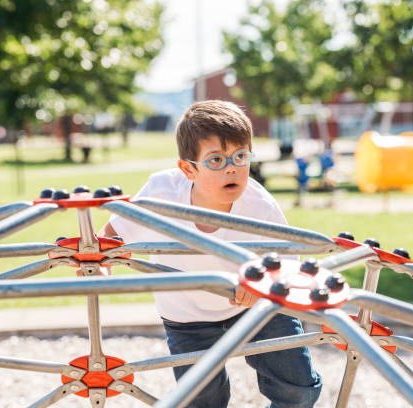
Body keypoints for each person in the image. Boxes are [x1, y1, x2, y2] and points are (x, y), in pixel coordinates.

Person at [98, 100, 322, 407]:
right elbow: (114, 231)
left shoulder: (260, 206)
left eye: (241, 156)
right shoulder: (162, 192)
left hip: (255, 309)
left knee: (298, 390)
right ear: (188, 168)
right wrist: (101, 262)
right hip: (187, 317)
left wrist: (261, 286)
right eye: (216, 160)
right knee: (203, 402)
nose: (232, 168)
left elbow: (287, 262)